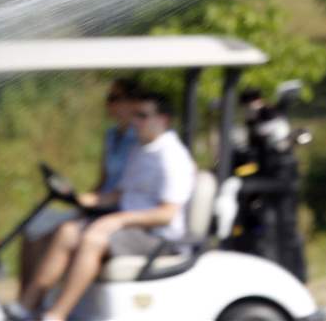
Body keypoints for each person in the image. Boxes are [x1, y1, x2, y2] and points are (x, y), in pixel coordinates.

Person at [16, 90, 196, 320]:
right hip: (131, 227)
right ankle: (26, 306)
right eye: (134, 116)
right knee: (67, 231)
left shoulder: (172, 157)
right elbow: (120, 193)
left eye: (142, 116)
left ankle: (56, 315)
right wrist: (81, 200)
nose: (135, 122)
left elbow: (167, 215)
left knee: (93, 238)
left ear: (163, 119)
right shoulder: (140, 149)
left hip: (157, 236)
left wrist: (116, 220)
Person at [18, 77, 140, 290]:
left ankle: (33, 301)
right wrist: (80, 201)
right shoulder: (111, 135)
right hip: (99, 204)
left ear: (131, 103)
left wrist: (91, 202)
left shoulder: (140, 141)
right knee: (35, 224)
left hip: (116, 209)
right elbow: (103, 180)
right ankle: (25, 297)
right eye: (108, 99)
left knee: (62, 231)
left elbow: (127, 189)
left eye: (115, 98)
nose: (108, 104)